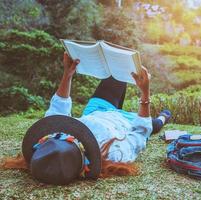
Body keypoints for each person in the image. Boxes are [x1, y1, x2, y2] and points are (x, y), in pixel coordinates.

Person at [1, 52, 171, 185]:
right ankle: (165, 116)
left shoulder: (52, 143)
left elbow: (57, 108)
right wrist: (145, 92)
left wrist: (67, 74)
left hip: (96, 110)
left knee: (116, 74)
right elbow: (141, 130)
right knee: (154, 124)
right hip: (125, 121)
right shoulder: (115, 154)